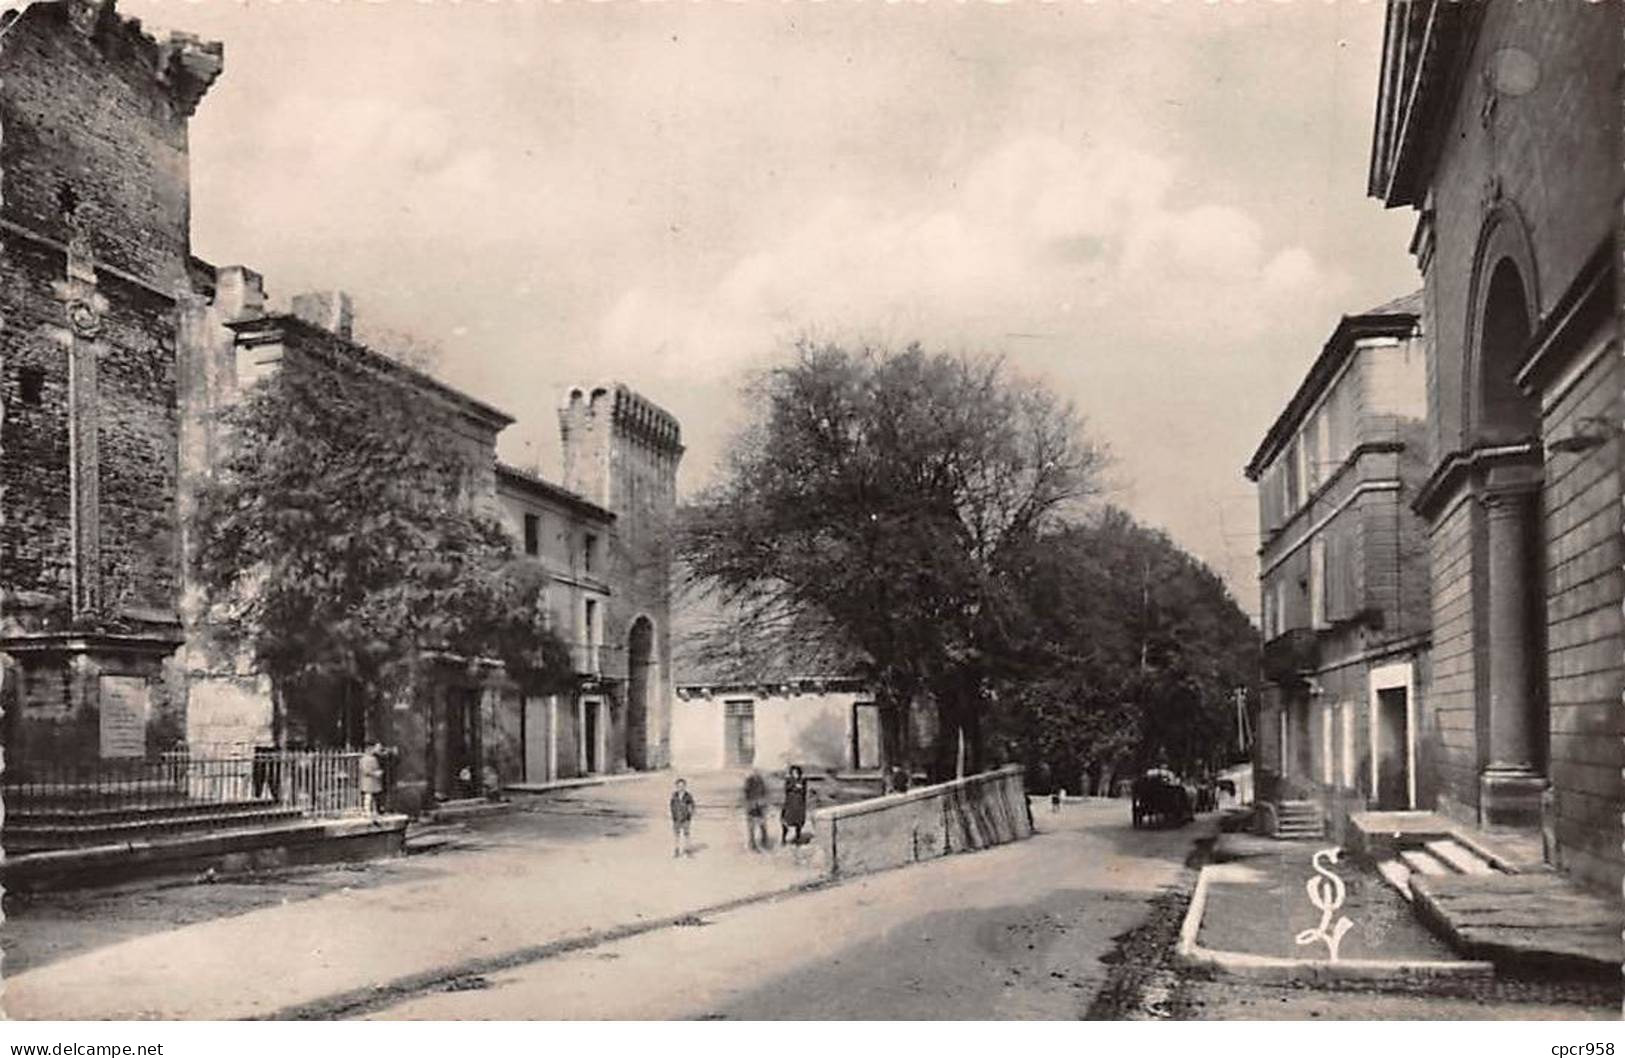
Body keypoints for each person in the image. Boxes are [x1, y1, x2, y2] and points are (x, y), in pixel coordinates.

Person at [780, 765, 809, 846]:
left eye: (797, 772)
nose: (795, 774)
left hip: (799, 804)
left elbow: (804, 791)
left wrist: (799, 789)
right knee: (786, 821)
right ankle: (783, 838)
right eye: (793, 773)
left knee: (798, 822)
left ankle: (797, 838)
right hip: (790, 804)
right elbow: (786, 789)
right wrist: (795, 786)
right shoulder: (789, 781)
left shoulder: (803, 780)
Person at [743, 770, 770, 851]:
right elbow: (746, 793)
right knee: (752, 826)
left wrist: (763, 802)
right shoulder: (749, 781)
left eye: (757, 772)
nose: (756, 774)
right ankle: (753, 843)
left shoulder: (760, 781)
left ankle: (764, 842)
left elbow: (765, 792)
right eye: (755, 772)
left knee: (762, 825)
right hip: (752, 805)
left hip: (759, 805)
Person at [669, 777, 696, 858]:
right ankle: (676, 850)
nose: (681, 787)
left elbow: (692, 806)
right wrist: (673, 815)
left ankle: (688, 851)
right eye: (679, 786)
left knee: (686, 834)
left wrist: (689, 814)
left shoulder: (688, 796)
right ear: (676, 786)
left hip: (686, 818)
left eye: (682, 785)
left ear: (685, 786)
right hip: (676, 818)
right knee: (676, 835)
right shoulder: (674, 795)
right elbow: (671, 805)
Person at [359, 742, 385, 817]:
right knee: (368, 797)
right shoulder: (364, 759)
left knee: (375, 797)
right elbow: (365, 771)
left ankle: (374, 811)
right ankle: (367, 811)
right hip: (368, 781)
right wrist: (375, 773)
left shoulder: (374, 758)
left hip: (374, 781)